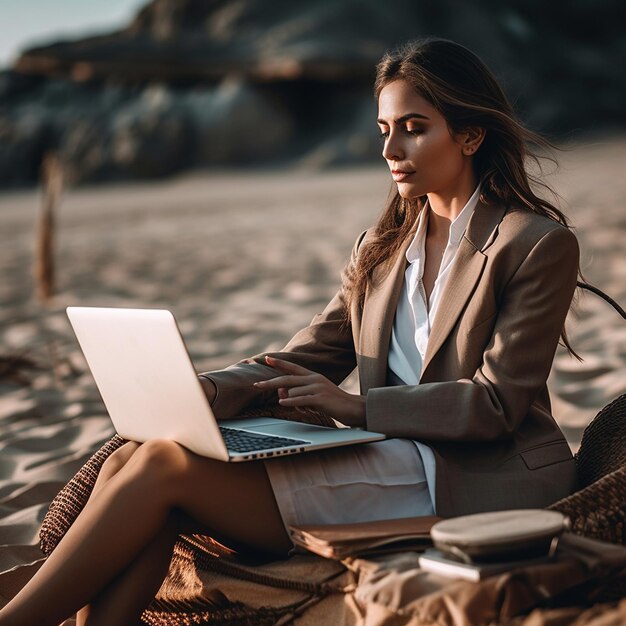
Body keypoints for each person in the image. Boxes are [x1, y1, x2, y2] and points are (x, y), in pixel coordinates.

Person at [0, 37, 580, 626]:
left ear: (470, 136)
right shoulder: (381, 249)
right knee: (131, 458)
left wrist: (355, 410)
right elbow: (307, 355)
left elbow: (495, 405)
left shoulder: (533, 245)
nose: (392, 148)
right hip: (385, 457)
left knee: (161, 471)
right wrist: (207, 389)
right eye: (384, 129)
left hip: (475, 471)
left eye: (413, 127)